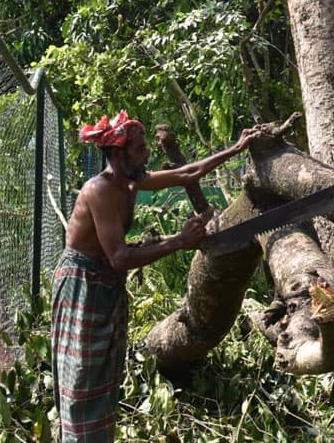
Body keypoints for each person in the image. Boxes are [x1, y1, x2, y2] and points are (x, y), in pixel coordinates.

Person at [51, 110, 260, 442]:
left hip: (106, 287)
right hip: (83, 287)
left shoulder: (132, 182)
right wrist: (179, 241)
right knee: (82, 380)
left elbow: (188, 172)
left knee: (106, 375)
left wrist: (237, 148)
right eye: (139, 149)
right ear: (118, 154)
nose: (147, 154)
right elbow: (119, 258)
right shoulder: (99, 190)